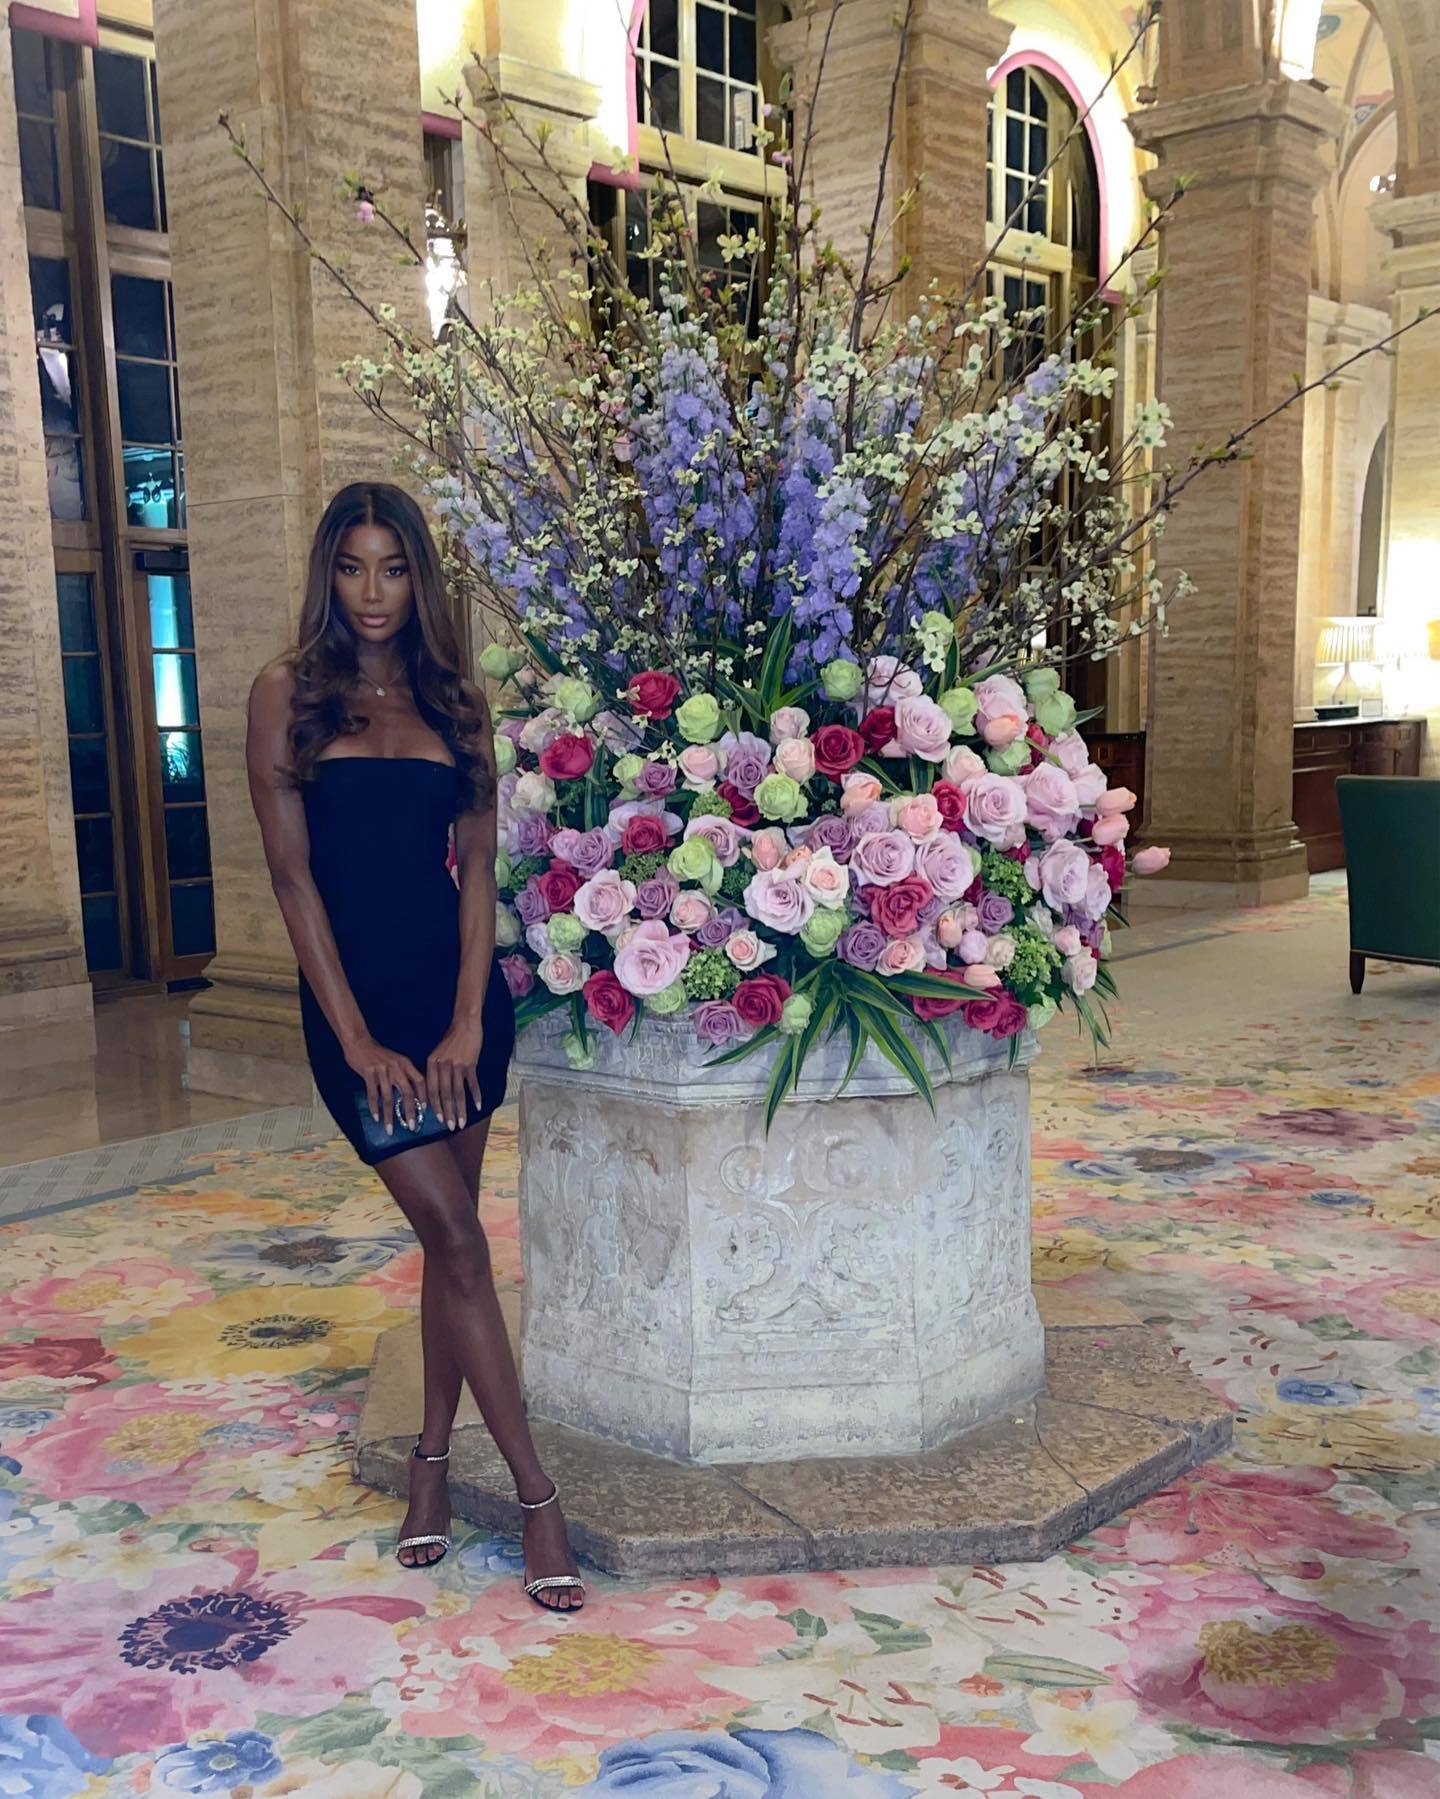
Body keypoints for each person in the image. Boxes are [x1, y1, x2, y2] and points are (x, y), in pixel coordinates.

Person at [247, 481, 584, 1611]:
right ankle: (537, 1496)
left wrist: (471, 1018)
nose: (373, 591)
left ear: (419, 578)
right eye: (352, 566)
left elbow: (479, 868)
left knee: (456, 1248)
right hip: (358, 1014)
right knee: (454, 1236)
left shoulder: (456, 698)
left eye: (393, 567)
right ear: (327, 574)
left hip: (456, 1007)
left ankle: (432, 1466)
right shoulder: (287, 693)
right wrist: (356, 1043)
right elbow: (293, 880)